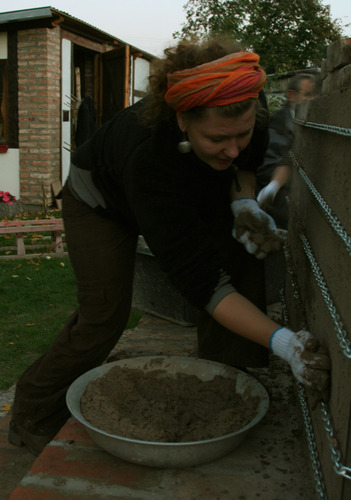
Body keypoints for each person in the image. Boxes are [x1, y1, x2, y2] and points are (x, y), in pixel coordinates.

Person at [8, 39, 330, 456]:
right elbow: (203, 283)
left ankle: (223, 376)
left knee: (241, 246)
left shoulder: (244, 109)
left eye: (242, 133)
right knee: (103, 315)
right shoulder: (150, 159)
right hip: (100, 201)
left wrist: (244, 202)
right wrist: (289, 345)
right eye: (218, 138)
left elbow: (243, 163)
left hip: (190, 179)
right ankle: (31, 413)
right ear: (182, 121)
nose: (232, 147)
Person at [256, 73, 319, 229]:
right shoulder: (277, 126)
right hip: (283, 211)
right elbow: (268, 170)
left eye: (316, 96)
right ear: (292, 95)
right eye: (308, 95)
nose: (312, 101)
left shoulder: (313, 123)